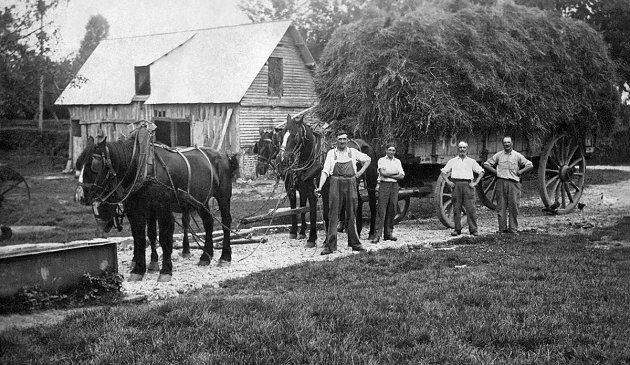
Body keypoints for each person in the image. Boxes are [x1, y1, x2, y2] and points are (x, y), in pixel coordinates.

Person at [315, 130, 371, 255]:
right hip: (335, 183)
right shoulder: (331, 153)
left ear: (347, 140)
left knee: (352, 213)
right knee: (333, 213)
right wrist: (320, 187)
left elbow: (368, 160)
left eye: (344, 139)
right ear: (336, 140)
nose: (342, 141)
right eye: (339, 139)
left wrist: (359, 173)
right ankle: (330, 246)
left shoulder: (353, 152)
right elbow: (325, 171)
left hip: (350, 183)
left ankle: (355, 243)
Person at [483, 136, 533, 234]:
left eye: (508, 142)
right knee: (501, 206)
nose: (506, 144)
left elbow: (530, 165)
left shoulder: (517, 156)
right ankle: (502, 229)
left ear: (512, 144)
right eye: (505, 143)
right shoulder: (499, 155)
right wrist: (496, 172)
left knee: (513, 206)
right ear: (503, 144)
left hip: (514, 183)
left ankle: (513, 229)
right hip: (501, 182)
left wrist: (520, 172)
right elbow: (486, 164)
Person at [440, 141, 484, 236]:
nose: (462, 150)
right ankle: (457, 229)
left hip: (468, 185)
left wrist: (476, 182)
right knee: (457, 208)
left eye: (464, 148)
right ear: (458, 149)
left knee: (471, 208)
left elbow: (481, 171)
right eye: (460, 148)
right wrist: (448, 182)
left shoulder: (471, 161)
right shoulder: (453, 161)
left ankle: (473, 229)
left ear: (467, 149)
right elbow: (443, 172)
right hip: (456, 185)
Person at [371, 143, 405, 243]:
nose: (391, 152)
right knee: (381, 209)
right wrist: (395, 173)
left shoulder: (397, 161)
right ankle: (377, 235)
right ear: (386, 150)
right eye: (389, 150)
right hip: (384, 185)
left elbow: (402, 176)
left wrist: (389, 175)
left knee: (392, 209)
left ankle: (388, 233)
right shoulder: (381, 160)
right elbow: (383, 173)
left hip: (394, 186)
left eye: (393, 150)